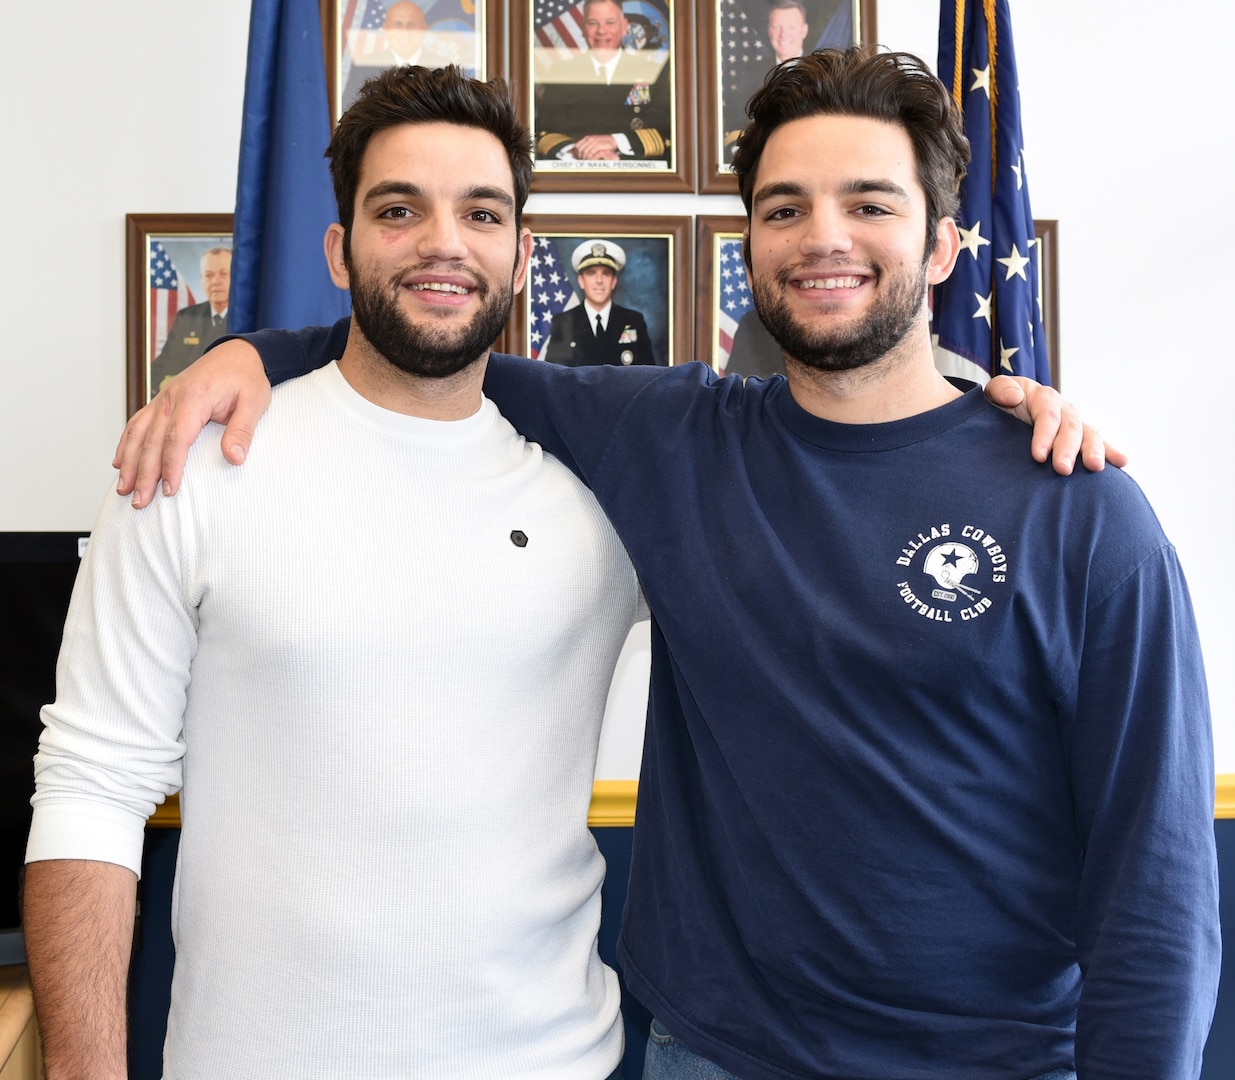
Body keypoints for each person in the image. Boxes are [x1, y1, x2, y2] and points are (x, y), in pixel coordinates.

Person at [110, 52, 1205, 1080]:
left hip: (992, 1062)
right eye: (784, 208)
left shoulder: (1079, 511)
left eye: (868, 203)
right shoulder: (673, 439)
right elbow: (431, 342)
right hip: (711, 1053)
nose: (822, 237)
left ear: (939, 248)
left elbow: (1152, 887)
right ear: (749, 245)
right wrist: (248, 352)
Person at [23, 66, 642, 1080]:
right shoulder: (192, 463)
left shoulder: (606, 497)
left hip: (553, 1061)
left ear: (522, 256)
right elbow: (92, 786)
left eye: (478, 212)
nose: (443, 241)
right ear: (338, 247)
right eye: (398, 209)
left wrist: (989, 428)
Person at [535, 0, 671, 163]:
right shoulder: (562, 73)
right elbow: (544, 130)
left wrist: (616, 141)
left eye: (610, 22)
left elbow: (669, 130)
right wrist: (577, 151)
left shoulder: (654, 72)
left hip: (637, 172)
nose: (601, 31)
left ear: (624, 27)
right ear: (583, 28)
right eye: (593, 23)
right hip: (576, 170)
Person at [721, 1, 814, 159]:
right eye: (777, 27)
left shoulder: (821, 71)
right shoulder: (752, 72)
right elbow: (738, 122)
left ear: (804, 31)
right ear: (769, 30)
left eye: (791, 27)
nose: (783, 34)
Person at [543, 239, 658, 367]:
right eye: (591, 273)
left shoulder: (633, 321)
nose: (599, 280)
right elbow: (554, 376)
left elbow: (648, 374)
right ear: (581, 281)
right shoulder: (564, 323)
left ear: (614, 281)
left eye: (606, 273)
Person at [147, 246, 231, 395]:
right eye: (208, 275)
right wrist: (168, 385)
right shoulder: (187, 318)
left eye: (224, 274)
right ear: (201, 278)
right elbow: (160, 368)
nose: (215, 281)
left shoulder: (249, 318)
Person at [341, 2, 454, 111]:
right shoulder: (362, 66)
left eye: (411, 24)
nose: (404, 31)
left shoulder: (443, 69)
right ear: (386, 29)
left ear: (424, 29)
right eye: (397, 24)